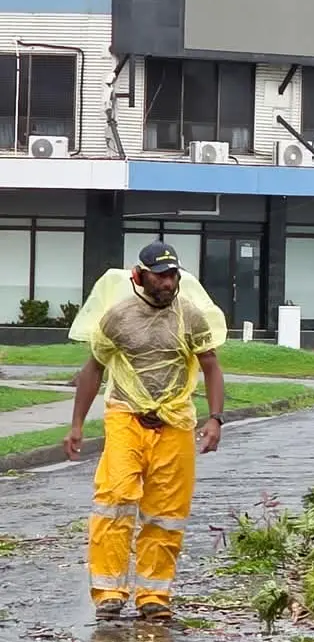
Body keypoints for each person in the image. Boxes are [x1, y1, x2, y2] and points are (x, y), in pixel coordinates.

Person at [67, 243, 227, 620]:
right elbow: (93, 370)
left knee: (166, 513)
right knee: (115, 499)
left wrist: (215, 417)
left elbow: (211, 366)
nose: (167, 283)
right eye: (159, 275)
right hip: (126, 417)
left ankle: (154, 596)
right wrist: (76, 425)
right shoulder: (117, 318)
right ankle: (108, 591)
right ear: (138, 276)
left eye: (172, 275)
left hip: (174, 422)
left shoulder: (189, 316)